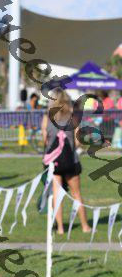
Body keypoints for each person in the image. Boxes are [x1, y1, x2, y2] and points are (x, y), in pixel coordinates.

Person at [41, 89, 91, 235]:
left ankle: (60, 228)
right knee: (76, 194)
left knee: (57, 194)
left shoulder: (47, 117)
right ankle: (85, 226)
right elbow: (78, 141)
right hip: (70, 160)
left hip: (53, 161)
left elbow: (45, 140)